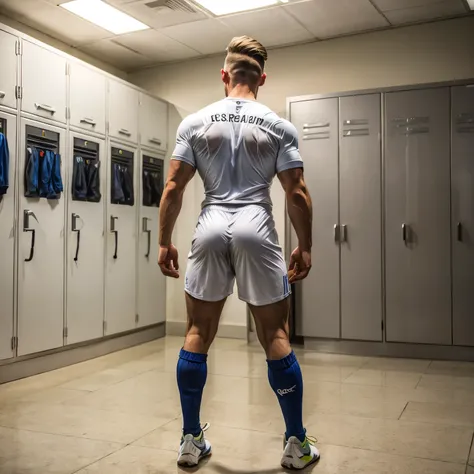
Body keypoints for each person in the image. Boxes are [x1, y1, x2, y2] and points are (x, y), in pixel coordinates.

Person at [158, 35, 318, 471]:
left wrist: (164, 240)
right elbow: (297, 193)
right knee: (276, 338)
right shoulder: (277, 124)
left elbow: (174, 187)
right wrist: (305, 246)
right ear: (261, 78)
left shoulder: (194, 122)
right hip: (256, 224)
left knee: (197, 333)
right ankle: (296, 443)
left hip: (210, 225)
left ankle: (190, 441)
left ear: (224, 75)